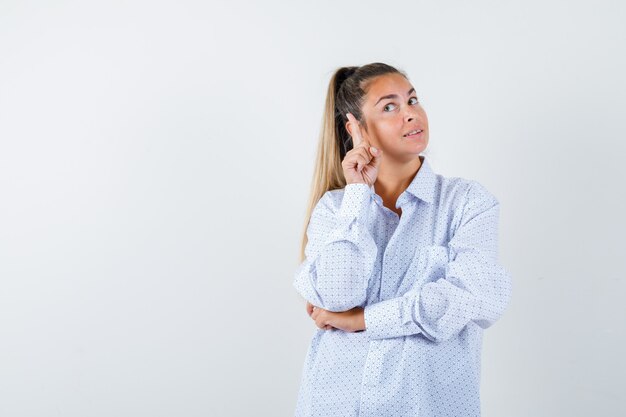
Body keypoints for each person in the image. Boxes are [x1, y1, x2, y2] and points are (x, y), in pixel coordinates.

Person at [292, 62, 513, 417]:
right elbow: (336, 294)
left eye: (412, 100)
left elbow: (475, 295)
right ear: (355, 128)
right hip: (335, 403)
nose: (411, 114)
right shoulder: (336, 209)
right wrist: (357, 194)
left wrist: (364, 320)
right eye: (390, 106)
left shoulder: (467, 202)